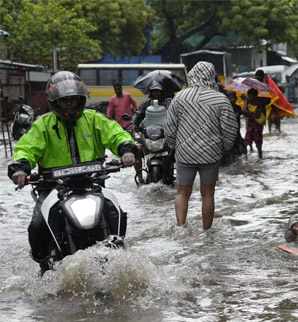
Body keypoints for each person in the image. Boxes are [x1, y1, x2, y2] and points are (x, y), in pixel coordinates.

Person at [7, 71, 138, 275]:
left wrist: (127, 149)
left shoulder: (94, 119)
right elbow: (27, 148)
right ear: (54, 102)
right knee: (37, 226)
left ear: (81, 99)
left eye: (73, 100)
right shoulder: (42, 124)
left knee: (115, 211)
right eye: (64, 101)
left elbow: (115, 133)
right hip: (52, 187)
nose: (69, 105)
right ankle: (44, 265)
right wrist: (21, 168)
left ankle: (117, 249)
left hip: (91, 183)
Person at [164, 61, 238, 230]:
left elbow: (169, 127)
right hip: (211, 154)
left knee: (182, 192)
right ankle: (206, 231)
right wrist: (224, 148)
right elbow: (230, 129)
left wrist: (175, 146)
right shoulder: (220, 99)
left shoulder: (180, 97)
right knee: (208, 194)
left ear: (192, 75)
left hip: (184, 153)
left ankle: (181, 227)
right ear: (211, 76)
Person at [130, 81, 173, 184]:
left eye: (158, 92)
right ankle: (140, 178)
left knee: (178, 151)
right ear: (150, 93)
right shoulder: (146, 103)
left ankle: (181, 178)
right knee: (135, 151)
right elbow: (138, 113)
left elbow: (175, 114)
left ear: (162, 92)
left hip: (166, 134)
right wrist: (133, 123)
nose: (156, 94)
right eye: (154, 92)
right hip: (148, 135)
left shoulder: (169, 102)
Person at [242, 88, 266, 159]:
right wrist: (244, 107)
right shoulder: (247, 103)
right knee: (246, 142)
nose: (249, 97)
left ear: (255, 96)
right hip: (250, 126)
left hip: (257, 126)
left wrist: (247, 112)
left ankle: (260, 158)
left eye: (250, 96)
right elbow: (245, 115)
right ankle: (246, 159)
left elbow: (257, 115)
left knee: (258, 144)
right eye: (248, 96)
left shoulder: (259, 103)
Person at [223, 90, 246, 164]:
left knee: (242, 148)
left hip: (237, 132)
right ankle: (231, 164)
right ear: (227, 99)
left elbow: (245, 113)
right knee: (230, 150)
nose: (233, 99)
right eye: (231, 98)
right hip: (228, 133)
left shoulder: (238, 108)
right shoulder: (225, 109)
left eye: (234, 98)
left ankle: (242, 163)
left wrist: (246, 102)